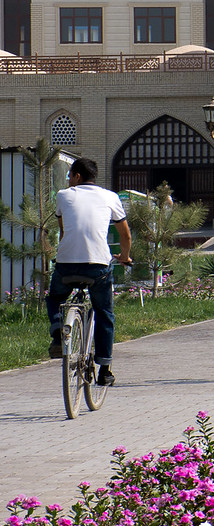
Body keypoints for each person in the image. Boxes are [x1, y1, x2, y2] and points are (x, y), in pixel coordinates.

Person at [48, 157, 133, 386]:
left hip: (66, 265)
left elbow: (64, 231)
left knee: (55, 298)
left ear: (77, 176)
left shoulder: (63, 196)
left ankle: (57, 333)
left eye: (70, 176)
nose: (68, 181)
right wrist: (124, 257)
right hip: (98, 267)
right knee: (104, 313)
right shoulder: (110, 197)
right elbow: (125, 235)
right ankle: (105, 370)